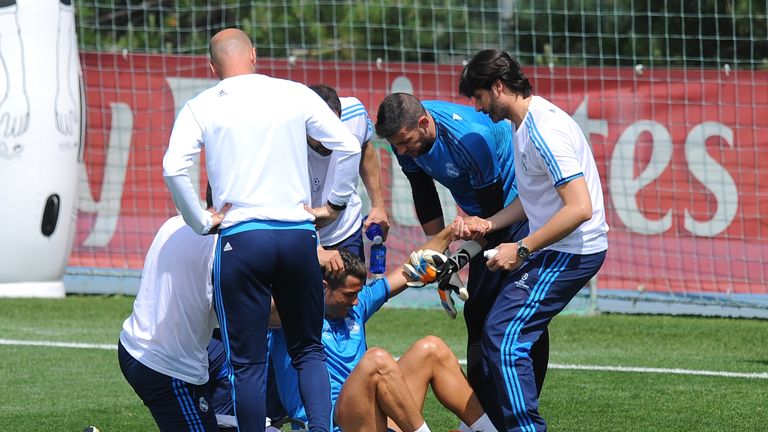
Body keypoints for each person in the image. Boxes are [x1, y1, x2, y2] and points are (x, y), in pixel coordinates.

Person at [162, 28, 361, 432]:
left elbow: (172, 168)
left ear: (212, 66)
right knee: (308, 349)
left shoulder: (201, 105)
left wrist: (202, 221)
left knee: (248, 363)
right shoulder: (295, 92)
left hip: (242, 239)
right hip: (296, 236)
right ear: (254, 54)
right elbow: (350, 146)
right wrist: (334, 206)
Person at [455, 48, 609, 431]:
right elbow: (533, 198)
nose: (476, 108)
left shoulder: (544, 131)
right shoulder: (522, 125)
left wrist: (522, 248)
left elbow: (579, 208)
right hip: (557, 248)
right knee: (501, 333)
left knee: (504, 339)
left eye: (478, 97)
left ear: (499, 86)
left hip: (573, 250)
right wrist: (489, 225)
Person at [374, 93, 548, 425]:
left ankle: (509, 414)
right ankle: (488, 416)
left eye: (405, 142)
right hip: (485, 221)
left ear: (424, 123)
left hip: (513, 218)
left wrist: (458, 260)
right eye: (395, 145)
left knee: (507, 317)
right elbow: (422, 192)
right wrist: (439, 255)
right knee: (481, 315)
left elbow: (491, 221)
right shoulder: (407, 140)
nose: (401, 151)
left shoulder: (471, 140)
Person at [228, 228, 499, 432]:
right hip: (333, 422)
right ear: (323, 287)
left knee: (432, 348)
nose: (356, 301)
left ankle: (490, 430)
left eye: (358, 293)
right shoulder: (290, 315)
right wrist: (312, 258)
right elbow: (253, 302)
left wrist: (454, 230)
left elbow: (412, 267)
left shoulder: (358, 305)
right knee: (377, 360)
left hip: (374, 416)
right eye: (348, 294)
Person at [118, 187, 228, 432]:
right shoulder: (223, 247)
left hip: (135, 344)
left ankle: (220, 418)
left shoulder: (175, 223)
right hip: (166, 369)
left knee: (235, 357)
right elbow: (248, 317)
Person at [307, 84, 390, 259]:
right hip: (301, 233)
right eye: (320, 132)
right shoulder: (287, 136)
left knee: (353, 287)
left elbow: (366, 148)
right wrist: (316, 247)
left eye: (333, 130)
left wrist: (378, 205)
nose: (328, 139)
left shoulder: (354, 113)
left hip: (346, 229)